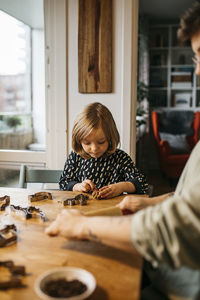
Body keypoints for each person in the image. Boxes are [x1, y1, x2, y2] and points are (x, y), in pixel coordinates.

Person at [46, 2, 200, 299]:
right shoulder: (75, 159)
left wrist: (84, 224)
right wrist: (153, 204)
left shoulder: (120, 158)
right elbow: (188, 204)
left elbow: (177, 227)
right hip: (162, 269)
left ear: (112, 139)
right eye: (196, 57)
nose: (197, 70)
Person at [59, 102, 149, 198]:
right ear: (78, 141)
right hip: (82, 210)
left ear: (110, 137)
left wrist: (121, 187)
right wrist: (78, 186)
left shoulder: (120, 158)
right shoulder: (75, 156)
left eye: (101, 142)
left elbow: (141, 184)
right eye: (87, 143)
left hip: (113, 210)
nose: (94, 149)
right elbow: (64, 183)